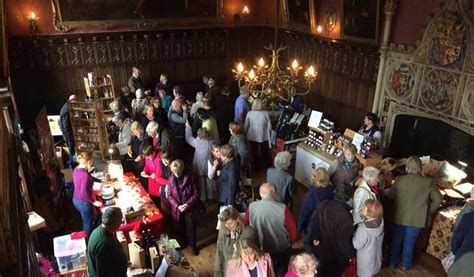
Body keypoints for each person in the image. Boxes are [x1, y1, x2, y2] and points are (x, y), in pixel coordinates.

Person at [388, 156, 442, 270]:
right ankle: (406, 265)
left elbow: (391, 196)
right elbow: (438, 199)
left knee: (396, 240)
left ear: (407, 166)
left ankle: (392, 262)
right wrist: (428, 210)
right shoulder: (428, 182)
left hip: (399, 215)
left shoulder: (399, 180)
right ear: (420, 167)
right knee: (410, 243)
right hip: (417, 218)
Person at [244, 183, 298, 277]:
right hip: (281, 249)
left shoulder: (251, 207)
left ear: (260, 194)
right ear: (274, 194)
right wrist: (289, 243)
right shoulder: (284, 209)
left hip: (260, 249)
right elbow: (294, 233)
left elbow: (246, 225)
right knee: (281, 271)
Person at [304, 199, 355, 277]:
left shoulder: (324, 204)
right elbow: (343, 243)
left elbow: (314, 223)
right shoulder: (346, 217)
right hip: (336, 258)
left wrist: (315, 236)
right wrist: (351, 254)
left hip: (321, 251)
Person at [166, 159, 200, 255]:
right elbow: (169, 195)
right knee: (181, 227)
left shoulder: (191, 177)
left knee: (191, 227)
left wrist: (187, 204)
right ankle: (183, 243)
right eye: (174, 172)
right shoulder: (170, 179)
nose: (176, 174)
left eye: (178, 172)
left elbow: (196, 194)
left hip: (189, 207)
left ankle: (193, 246)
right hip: (177, 208)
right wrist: (177, 206)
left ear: (182, 169)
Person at [214, 207, 258, 277]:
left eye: (230, 223)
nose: (227, 226)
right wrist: (217, 272)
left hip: (243, 271)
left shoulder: (250, 233)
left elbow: (254, 257)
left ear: (238, 219)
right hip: (227, 270)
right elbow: (219, 252)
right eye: (225, 223)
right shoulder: (223, 230)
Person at [87, 207, 128, 277]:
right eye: (120, 220)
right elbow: (103, 273)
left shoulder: (97, 231)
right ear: (113, 223)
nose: (121, 222)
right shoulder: (104, 245)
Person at [353, 199, 385, 277]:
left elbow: (356, 244)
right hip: (376, 258)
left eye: (364, 207)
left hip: (365, 262)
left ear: (368, 212)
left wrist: (353, 234)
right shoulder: (381, 222)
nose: (362, 208)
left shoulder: (363, 229)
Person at [298, 167, 334, 234]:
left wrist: (299, 227)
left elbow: (304, 212)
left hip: (312, 222)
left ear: (314, 179)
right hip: (324, 220)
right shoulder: (331, 189)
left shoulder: (311, 195)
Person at [72, 152, 100, 236]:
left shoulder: (76, 169)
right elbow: (84, 193)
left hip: (75, 200)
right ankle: (87, 243)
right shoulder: (85, 175)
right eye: (92, 161)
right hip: (83, 203)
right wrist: (94, 202)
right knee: (87, 225)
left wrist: (100, 180)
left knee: (86, 219)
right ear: (89, 162)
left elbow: (88, 178)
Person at [185, 123, 215, 201]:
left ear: (199, 135)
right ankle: (211, 196)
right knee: (209, 180)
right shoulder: (212, 141)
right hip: (209, 165)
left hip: (199, 166)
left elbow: (188, 138)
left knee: (201, 182)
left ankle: (203, 198)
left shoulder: (197, 142)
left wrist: (188, 128)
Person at [244, 99, 272, 170]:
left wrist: (244, 134)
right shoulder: (265, 113)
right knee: (264, 151)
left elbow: (246, 125)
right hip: (263, 135)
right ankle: (264, 165)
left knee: (254, 151)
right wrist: (270, 135)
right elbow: (270, 127)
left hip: (252, 135)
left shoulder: (249, 113)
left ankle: (256, 166)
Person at [59, 94, 76, 167]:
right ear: (72, 100)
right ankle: (72, 165)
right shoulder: (66, 110)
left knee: (72, 149)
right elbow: (66, 126)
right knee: (72, 150)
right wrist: (70, 137)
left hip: (68, 133)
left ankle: (73, 163)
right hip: (68, 134)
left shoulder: (66, 106)